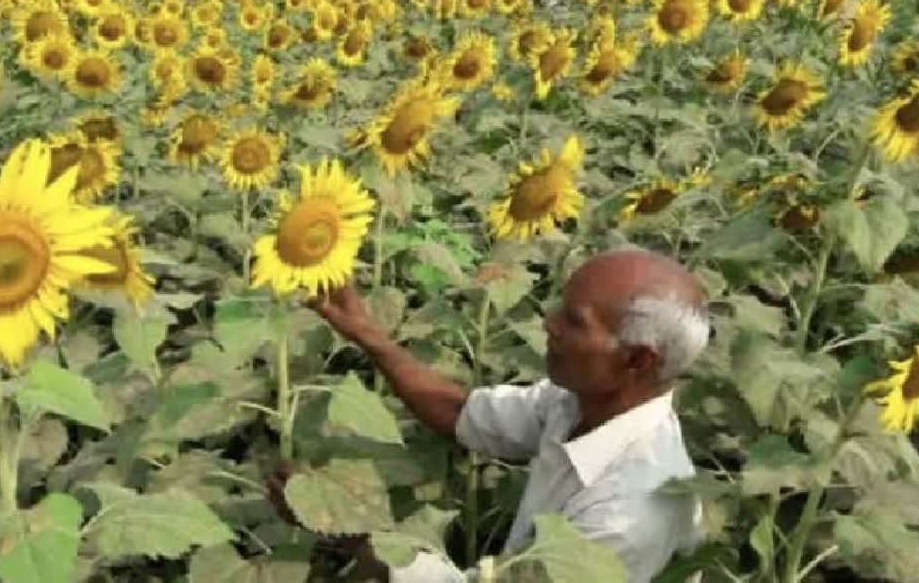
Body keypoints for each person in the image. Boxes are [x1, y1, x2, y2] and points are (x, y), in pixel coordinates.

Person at [273, 246, 709, 582]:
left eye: (574, 322)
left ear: (637, 361)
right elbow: (462, 413)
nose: (548, 324)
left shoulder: (632, 514)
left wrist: (339, 522)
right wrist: (366, 332)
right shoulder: (579, 402)